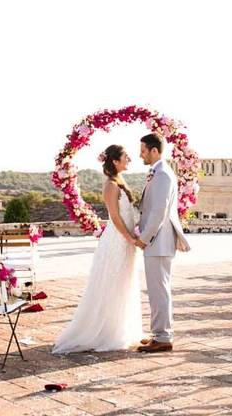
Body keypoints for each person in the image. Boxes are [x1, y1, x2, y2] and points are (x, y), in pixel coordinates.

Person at [52, 144, 143, 353]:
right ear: (115, 161)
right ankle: (106, 332)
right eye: (126, 156)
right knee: (113, 284)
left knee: (124, 284)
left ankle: (122, 328)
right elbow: (115, 216)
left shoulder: (120, 181)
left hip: (125, 242)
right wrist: (130, 238)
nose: (129, 159)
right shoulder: (111, 185)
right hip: (117, 241)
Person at [134, 132, 190, 353]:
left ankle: (164, 337)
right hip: (158, 242)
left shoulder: (163, 175)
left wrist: (144, 238)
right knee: (157, 290)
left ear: (154, 150)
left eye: (143, 151)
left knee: (159, 290)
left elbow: (158, 212)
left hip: (158, 241)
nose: (141, 155)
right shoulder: (158, 173)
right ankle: (159, 332)